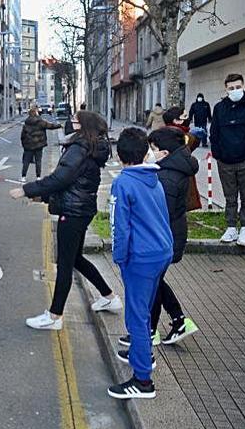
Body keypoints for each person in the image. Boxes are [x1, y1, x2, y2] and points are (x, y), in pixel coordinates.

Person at [10, 111, 119, 330]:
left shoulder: (79, 149)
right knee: (76, 258)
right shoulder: (90, 147)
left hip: (73, 212)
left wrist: (26, 189)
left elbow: (60, 178)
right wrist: (41, 196)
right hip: (81, 208)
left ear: (83, 125)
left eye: (76, 120)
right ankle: (109, 296)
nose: (71, 122)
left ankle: (54, 316)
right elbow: (73, 183)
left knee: (65, 264)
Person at [115, 127, 199, 348]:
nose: (149, 153)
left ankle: (153, 332)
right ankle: (170, 324)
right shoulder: (167, 170)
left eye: (152, 149)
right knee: (155, 283)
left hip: (160, 240)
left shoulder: (166, 177)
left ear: (165, 152)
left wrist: (122, 254)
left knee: (152, 285)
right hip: (165, 238)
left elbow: (155, 214)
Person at [106, 128, 173, 400]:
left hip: (140, 257)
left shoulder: (123, 183)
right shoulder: (153, 177)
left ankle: (143, 380)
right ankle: (141, 353)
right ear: (145, 152)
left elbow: (119, 227)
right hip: (161, 251)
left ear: (120, 156)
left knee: (137, 315)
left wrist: (119, 257)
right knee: (144, 308)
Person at [210, 73, 245, 246]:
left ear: (244, 86)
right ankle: (231, 227)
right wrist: (218, 154)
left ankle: (244, 227)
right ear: (226, 90)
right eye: (231, 88)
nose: (235, 90)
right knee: (230, 197)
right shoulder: (220, 108)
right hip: (225, 161)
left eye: (238, 87)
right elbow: (214, 133)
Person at [21, 107, 62, 182]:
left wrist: (24, 145)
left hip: (28, 145)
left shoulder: (26, 123)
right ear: (36, 113)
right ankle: (38, 176)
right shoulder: (41, 122)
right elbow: (50, 126)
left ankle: (23, 176)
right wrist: (59, 125)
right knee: (38, 161)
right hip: (39, 144)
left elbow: (22, 136)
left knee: (26, 161)